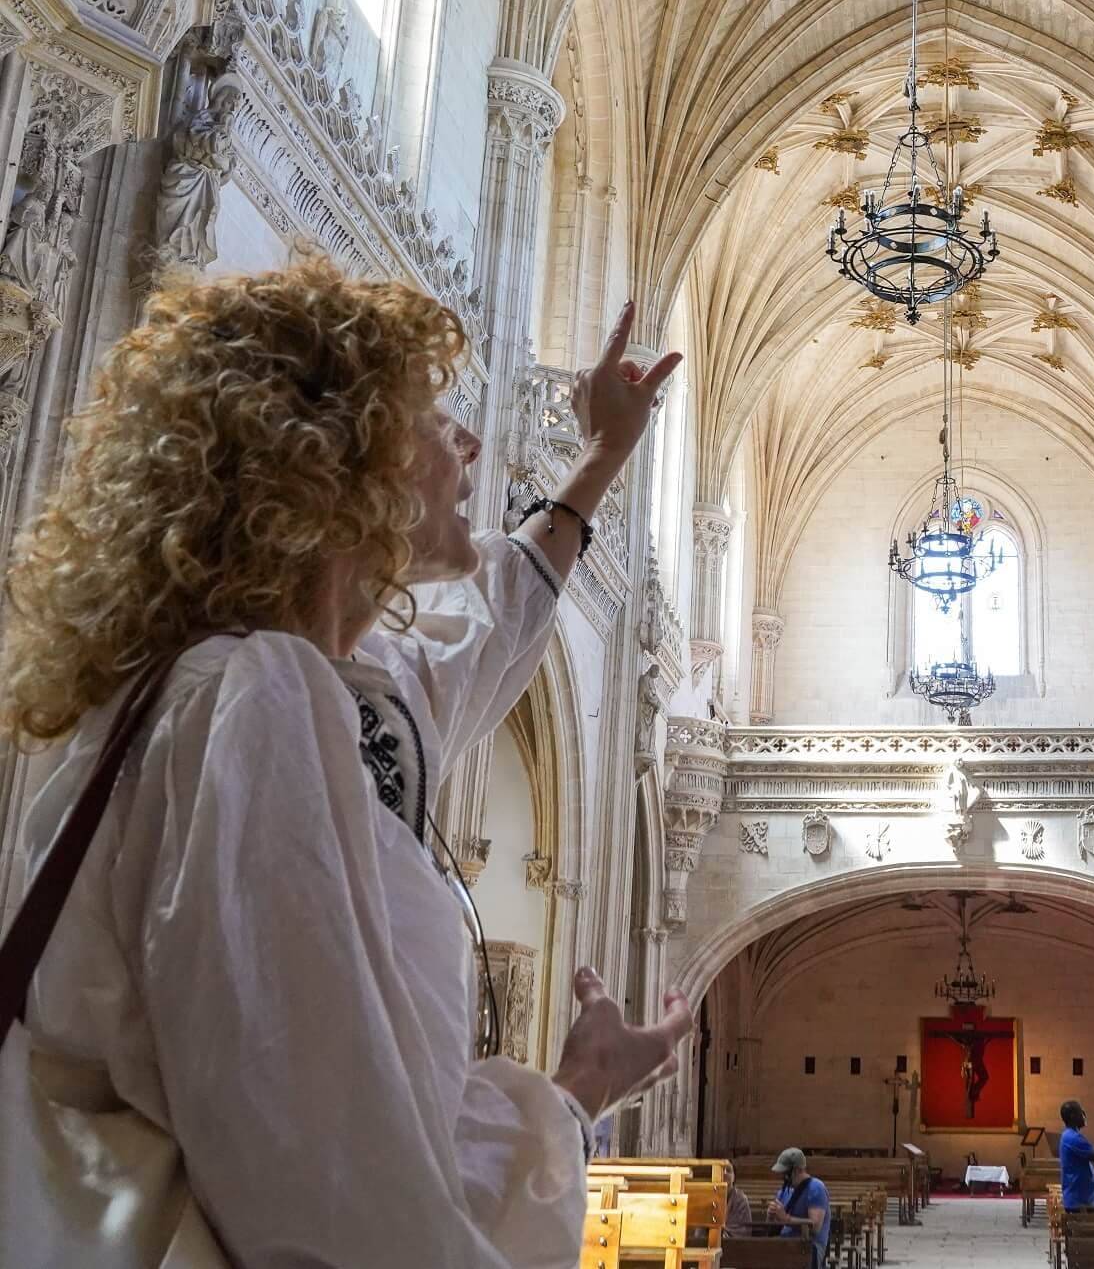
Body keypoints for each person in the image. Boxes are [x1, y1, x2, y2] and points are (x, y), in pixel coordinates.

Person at [0, 262, 694, 1268]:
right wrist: (570, 1102)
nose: (467, 444)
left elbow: (499, 615)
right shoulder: (256, 696)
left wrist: (602, 456)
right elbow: (334, 1195)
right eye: (428, 418)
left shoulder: (334, 684)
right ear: (328, 461)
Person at [765, 1147, 830, 1267]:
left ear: (796, 1170)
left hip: (809, 1246)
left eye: (785, 1173)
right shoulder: (784, 1191)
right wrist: (770, 1216)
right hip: (785, 1243)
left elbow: (815, 1227)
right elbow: (772, 1228)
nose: (783, 1176)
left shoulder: (816, 1188)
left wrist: (786, 1218)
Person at [722, 1161, 752, 1238]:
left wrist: (723, 1233)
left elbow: (745, 1229)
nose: (724, 1173)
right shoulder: (710, 1196)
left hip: (734, 1244)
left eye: (728, 1170)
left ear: (734, 1177)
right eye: (721, 1170)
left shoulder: (741, 1199)